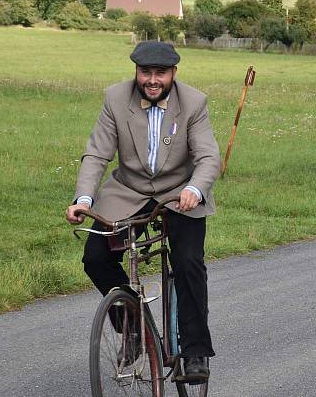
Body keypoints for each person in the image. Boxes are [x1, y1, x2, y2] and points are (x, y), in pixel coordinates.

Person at [65, 40, 220, 382]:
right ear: (136, 71)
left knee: (188, 261)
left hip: (179, 194)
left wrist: (195, 189)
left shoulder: (193, 102)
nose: (152, 80)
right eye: (145, 72)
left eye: (160, 73)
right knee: (95, 255)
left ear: (173, 74)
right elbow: (97, 154)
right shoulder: (115, 98)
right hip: (128, 191)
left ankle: (195, 351)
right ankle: (133, 326)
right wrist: (84, 199)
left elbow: (208, 157)